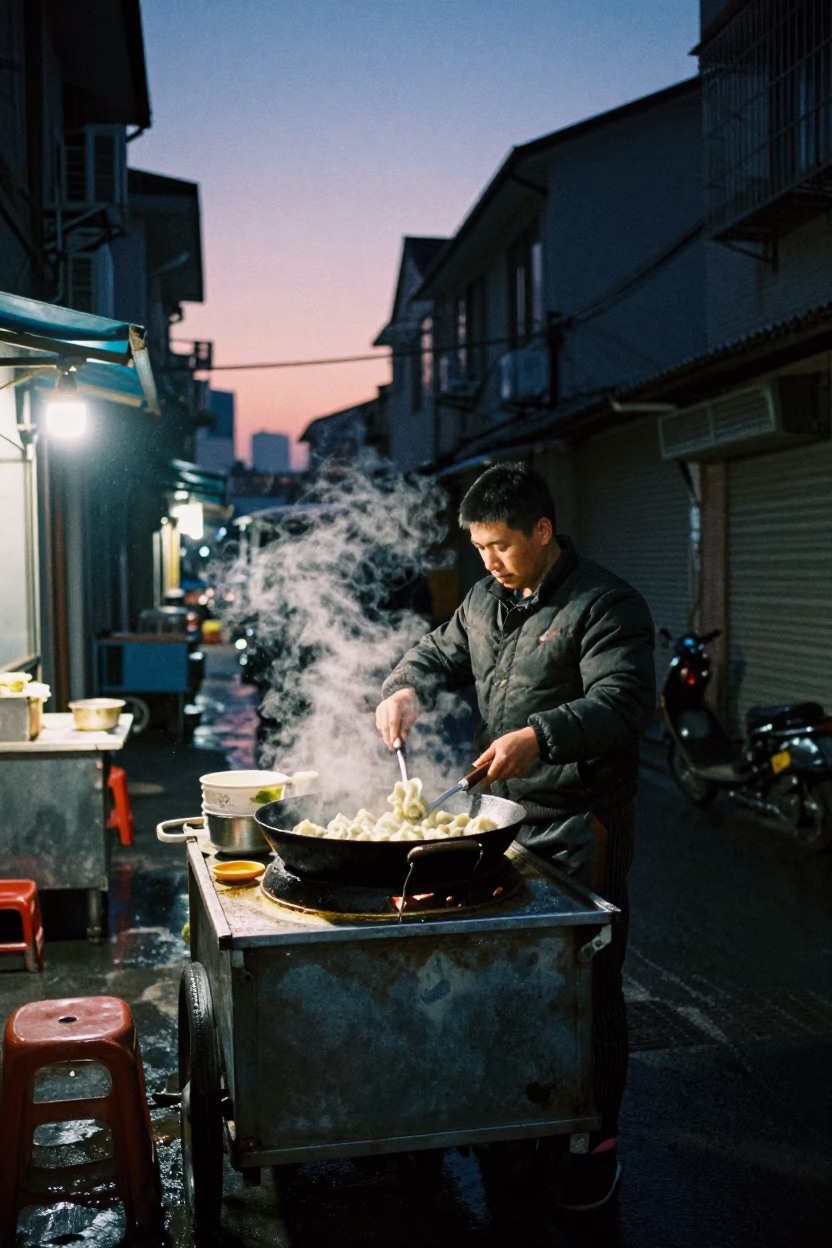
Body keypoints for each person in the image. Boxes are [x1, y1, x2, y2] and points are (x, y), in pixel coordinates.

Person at [375, 461, 655, 1210]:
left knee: (584, 976)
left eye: (500, 545)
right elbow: (439, 651)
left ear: (542, 530)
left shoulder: (605, 604)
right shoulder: (484, 601)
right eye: (478, 549)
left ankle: (596, 1139)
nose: (489, 561)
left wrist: (541, 735)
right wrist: (404, 684)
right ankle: (513, 1111)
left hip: (579, 819)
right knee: (499, 969)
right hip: (501, 820)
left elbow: (624, 703)